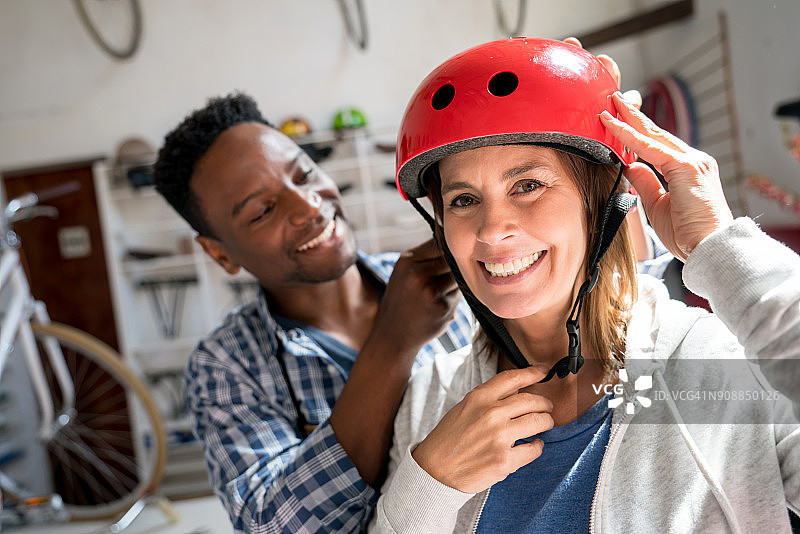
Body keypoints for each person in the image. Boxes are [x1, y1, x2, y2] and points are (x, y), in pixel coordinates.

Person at [372, 38, 800, 533]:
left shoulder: (714, 363)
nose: (491, 231)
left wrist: (717, 246)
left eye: (527, 185)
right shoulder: (432, 395)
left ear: (601, 203)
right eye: (463, 200)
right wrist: (429, 485)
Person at [152, 93, 475, 533]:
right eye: (263, 210)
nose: (308, 206)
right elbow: (272, 525)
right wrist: (392, 343)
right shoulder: (226, 366)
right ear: (219, 253)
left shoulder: (440, 278)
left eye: (303, 174)